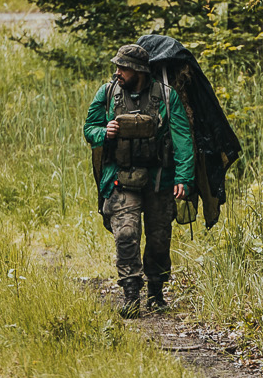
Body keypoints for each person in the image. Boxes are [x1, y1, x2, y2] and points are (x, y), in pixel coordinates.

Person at [83, 42, 194, 315]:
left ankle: (156, 293)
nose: (118, 71)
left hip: (160, 180)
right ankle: (131, 294)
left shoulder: (167, 97)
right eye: (118, 66)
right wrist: (103, 132)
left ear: (138, 70)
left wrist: (184, 178)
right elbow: (89, 128)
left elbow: (182, 140)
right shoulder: (107, 93)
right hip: (121, 178)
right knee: (127, 233)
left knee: (159, 239)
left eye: (123, 67)